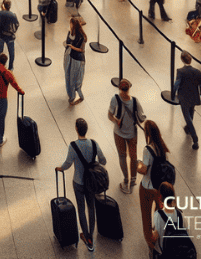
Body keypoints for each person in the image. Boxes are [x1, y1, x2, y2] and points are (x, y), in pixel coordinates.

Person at [56, 118, 107, 252]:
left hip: (78, 182)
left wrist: (60, 168)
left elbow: (67, 164)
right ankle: (91, 233)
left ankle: (86, 236)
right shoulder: (94, 144)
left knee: (81, 208)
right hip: (92, 183)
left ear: (76, 129)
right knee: (91, 207)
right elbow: (103, 160)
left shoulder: (73, 146)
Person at [108, 79, 146, 194]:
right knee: (133, 157)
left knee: (122, 156)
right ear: (129, 88)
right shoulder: (135, 101)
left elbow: (110, 115)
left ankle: (125, 180)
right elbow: (142, 117)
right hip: (132, 134)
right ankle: (133, 180)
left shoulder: (115, 99)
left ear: (119, 88)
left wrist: (116, 120)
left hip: (118, 133)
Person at [136, 120, 169, 250]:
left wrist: (138, 164)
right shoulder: (162, 147)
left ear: (147, 133)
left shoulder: (147, 149)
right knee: (158, 211)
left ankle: (150, 242)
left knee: (146, 216)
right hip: (159, 188)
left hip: (147, 187)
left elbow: (143, 170)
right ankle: (158, 232)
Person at [0, 53, 25, 147]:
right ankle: (0, 140)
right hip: (2, 99)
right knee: (1, 119)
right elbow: (14, 84)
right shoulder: (7, 73)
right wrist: (21, 91)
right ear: (5, 62)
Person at [171, 50, 201, 149]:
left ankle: (195, 140)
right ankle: (188, 128)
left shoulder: (180, 71)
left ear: (182, 59)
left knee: (188, 118)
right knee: (191, 113)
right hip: (194, 96)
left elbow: (176, 84)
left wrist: (173, 94)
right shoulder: (197, 71)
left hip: (184, 97)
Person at [64, 16, 87, 106]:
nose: (70, 26)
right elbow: (67, 42)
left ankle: (75, 97)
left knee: (74, 80)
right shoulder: (70, 33)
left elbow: (82, 50)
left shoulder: (81, 36)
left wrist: (71, 46)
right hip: (70, 57)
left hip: (77, 59)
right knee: (68, 76)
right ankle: (71, 95)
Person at [0, 0, 19, 70]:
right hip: (10, 37)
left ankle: (0, 66)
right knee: (11, 52)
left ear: (3, 5)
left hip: (1, 36)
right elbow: (17, 25)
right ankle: (10, 67)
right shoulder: (13, 15)